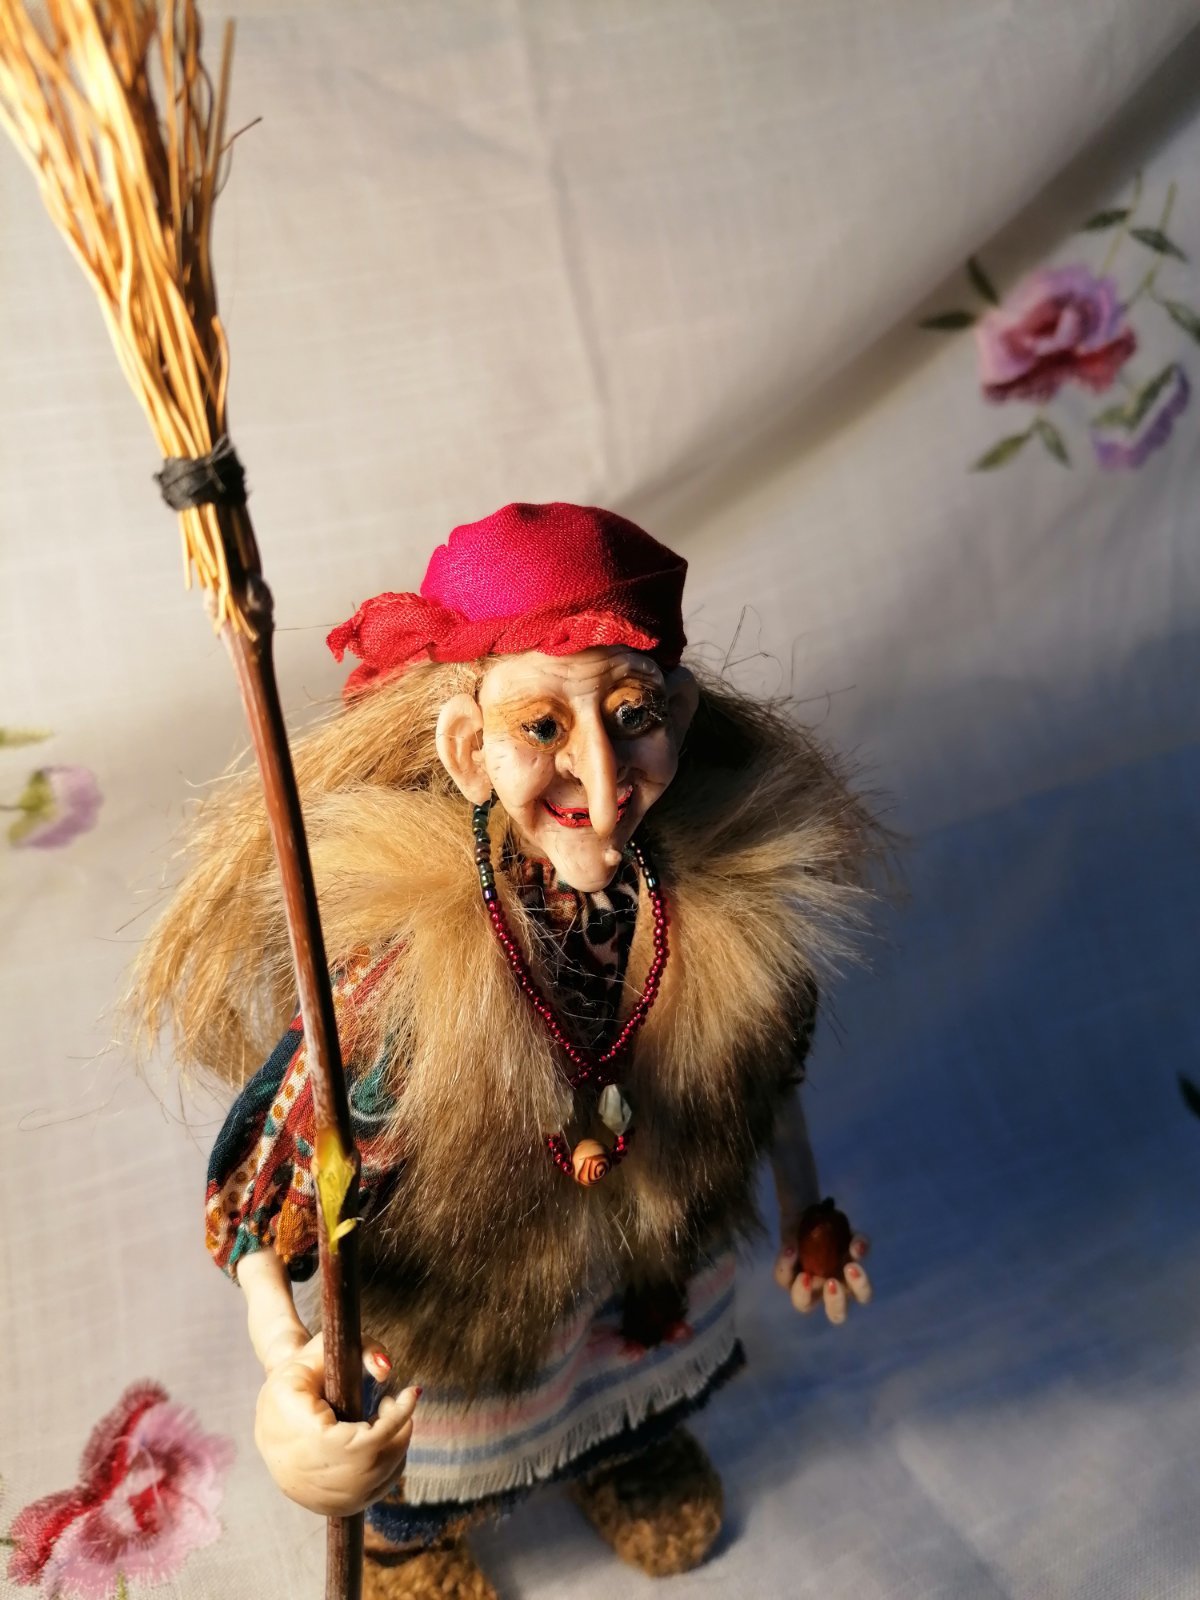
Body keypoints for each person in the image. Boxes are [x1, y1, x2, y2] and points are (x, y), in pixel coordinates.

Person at [136, 501, 881, 1599]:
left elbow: (771, 1079)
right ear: (467, 750)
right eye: (542, 727)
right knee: (432, 1447)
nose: (601, 776)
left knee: (636, 1374)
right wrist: (286, 1357)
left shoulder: (725, 912)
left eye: (632, 715)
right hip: (462, 1299)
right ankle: (408, 1540)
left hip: (645, 1264)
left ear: (678, 712)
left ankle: (623, 1446)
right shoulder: (404, 984)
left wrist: (805, 1204)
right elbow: (269, 1190)